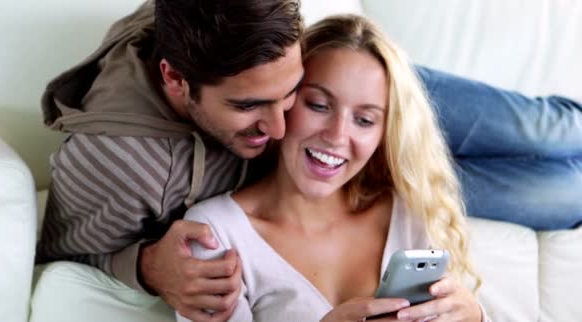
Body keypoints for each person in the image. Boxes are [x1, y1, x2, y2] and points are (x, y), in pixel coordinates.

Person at [35, 0, 581, 321]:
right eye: (250, 106)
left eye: (288, 95)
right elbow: (67, 246)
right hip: (342, 137)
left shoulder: (254, 37)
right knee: (567, 193)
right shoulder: (127, 165)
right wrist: (151, 264)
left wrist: (473, 314)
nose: (274, 127)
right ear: (176, 83)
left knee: (555, 130)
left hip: (371, 78)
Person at [177, 14, 487, 321]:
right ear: (283, 99)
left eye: (364, 120)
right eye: (318, 105)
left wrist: (476, 316)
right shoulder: (215, 234)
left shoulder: (410, 214)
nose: (337, 136)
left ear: (382, 135)